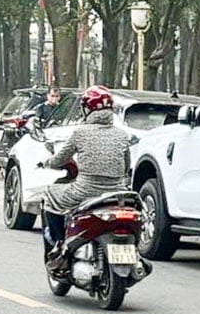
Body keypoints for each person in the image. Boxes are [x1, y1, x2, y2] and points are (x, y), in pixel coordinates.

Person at [40, 85, 133, 268]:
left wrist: (48, 163)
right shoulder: (122, 135)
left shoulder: (80, 132)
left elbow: (60, 159)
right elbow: (126, 166)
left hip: (85, 191)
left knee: (49, 194)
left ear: (87, 109)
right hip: (117, 193)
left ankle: (59, 243)